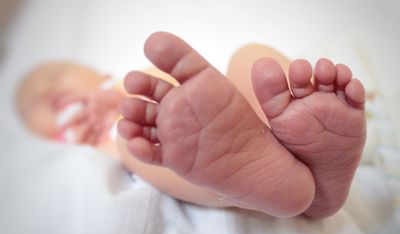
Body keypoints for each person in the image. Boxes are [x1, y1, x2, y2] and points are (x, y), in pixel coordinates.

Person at [16, 32, 366, 219]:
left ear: (99, 75)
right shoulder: (82, 154)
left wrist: (116, 96)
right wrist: (96, 140)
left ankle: (304, 164)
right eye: (36, 107)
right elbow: (100, 171)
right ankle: (249, 186)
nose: (47, 92)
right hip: (189, 157)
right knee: (131, 141)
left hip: (254, 127)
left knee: (251, 58)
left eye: (55, 76)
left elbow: (186, 95)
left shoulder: (124, 84)